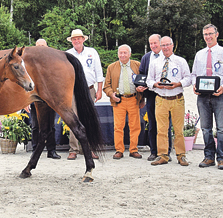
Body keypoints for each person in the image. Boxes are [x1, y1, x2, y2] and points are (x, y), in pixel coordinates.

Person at [191, 24, 223, 170]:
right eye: (205, 34)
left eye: (210, 33)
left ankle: (222, 158)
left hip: (219, 95)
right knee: (205, 128)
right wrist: (194, 86)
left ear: (217, 34)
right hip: (203, 96)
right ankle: (209, 156)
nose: (208, 37)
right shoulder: (199, 54)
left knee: (221, 128)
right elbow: (194, 75)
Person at [146, 36, 192, 166]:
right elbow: (148, 80)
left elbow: (188, 79)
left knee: (178, 130)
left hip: (177, 99)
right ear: (161, 46)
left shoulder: (180, 61)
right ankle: (162, 155)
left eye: (168, 45)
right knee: (161, 130)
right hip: (161, 99)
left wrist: (178, 84)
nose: (165, 47)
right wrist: (155, 85)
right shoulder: (155, 63)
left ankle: (181, 155)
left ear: (172, 46)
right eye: (163, 45)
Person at [65, 29, 103, 160]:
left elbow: (98, 71)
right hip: (73, 90)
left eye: (78, 38)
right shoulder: (67, 54)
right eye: (74, 39)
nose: (76, 41)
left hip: (89, 89)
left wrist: (99, 90)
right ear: (72, 41)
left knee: (88, 118)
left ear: (83, 39)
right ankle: (73, 149)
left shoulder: (92, 52)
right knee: (73, 118)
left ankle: (89, 148)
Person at [103, 44, 145, 159]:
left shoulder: (137, 65)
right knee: (118, 127)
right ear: (118, 54)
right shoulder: (111, 67)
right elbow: (106, 86)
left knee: (135, 126)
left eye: (125, 52)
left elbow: (143, 82)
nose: (122, 55)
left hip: (134, 99)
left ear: (129, 54)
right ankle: (119, 150)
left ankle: (133, 149)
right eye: (120, 53)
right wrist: (112, 94)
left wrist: (142, 96)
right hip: (119, 101)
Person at [137, 34, 173, 161]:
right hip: (151, 94)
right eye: (150, 43)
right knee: (152, 123)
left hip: (166, 94)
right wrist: (140, 87)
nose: (153, 46)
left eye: (155, 43)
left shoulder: (168, 56)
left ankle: (166, 151)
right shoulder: (146, 57)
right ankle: (154, 151)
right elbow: (142, 74)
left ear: (161, 43)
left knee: (165, 124)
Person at [28, 39, 60, 159]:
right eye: (38, 46)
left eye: (42, 46)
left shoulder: (52, 62)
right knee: (35, 125)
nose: (40, 48)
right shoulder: (30, 63)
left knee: (50, 125)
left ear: (47, 47)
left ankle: (51, 150)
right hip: (34, 98)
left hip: (49, 98)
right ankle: (35, 149)